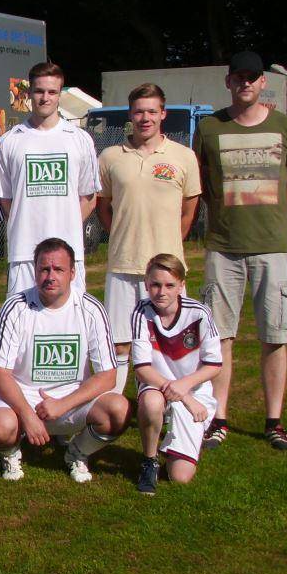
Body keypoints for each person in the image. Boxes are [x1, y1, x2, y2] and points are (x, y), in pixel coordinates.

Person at [193, 51, 287, 451]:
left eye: (252, 78)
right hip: (223, 248)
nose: (245, 83)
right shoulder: (209, 128)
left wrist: (270, 213)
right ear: (228, 82)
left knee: (275, 336)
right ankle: (218, 419)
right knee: (220, 337)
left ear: (261, 83)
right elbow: (204, 182)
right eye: (238, 77)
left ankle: (274, 421)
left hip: (272, 247)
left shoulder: (284, 127)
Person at [0, 238, 129, 483]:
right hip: (23, 398)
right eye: (44, 269)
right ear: (35, 270)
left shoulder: (91, 309)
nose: (50, 276)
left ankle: (77, 452)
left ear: (72, 273)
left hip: (71, 401)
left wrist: (63, 405)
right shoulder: (15, 307)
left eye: (59, 269)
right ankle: (11, 453)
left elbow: (108, 375)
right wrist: (27, 414)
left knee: (119, 410)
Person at [96, 83, 201, 392]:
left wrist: (169, 253)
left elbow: (188, 211)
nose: (145, 118)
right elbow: (104, 208)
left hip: (166, 273)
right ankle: (112, 410)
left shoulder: (184, 156)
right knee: (118, 346)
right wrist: (123, 236)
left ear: (163, 114)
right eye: (139, 111)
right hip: (123, 266)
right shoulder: (111, 156)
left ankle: (170, 407)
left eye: (152, 111)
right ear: (130, 114)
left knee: (169, 345)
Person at [0, 63, 101, 295]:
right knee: (21, 325)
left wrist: (65, 225)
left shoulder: (80, 139)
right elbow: (6, 199)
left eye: (52, 92)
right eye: (39, 91)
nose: (45, 97)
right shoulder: (10, 141)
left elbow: (89, 198)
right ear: (29, 92)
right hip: (24, 253)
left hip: (68, 253)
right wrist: (28, 222)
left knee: (69, 325)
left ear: (60, 94)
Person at [132, 254, 221, 495]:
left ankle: (181, 440)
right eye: (155, 285)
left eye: (170, 285)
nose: (161, 292)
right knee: (150, 403)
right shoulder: (142, 312)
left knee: (180, 477)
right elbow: (142, 368)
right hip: (158, 386)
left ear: (181, 285)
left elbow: (214, 365)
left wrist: (186, 389)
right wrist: (184, 397)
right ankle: (149, 461)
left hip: (192, 389)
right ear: (147, 284)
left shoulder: (200, 313)